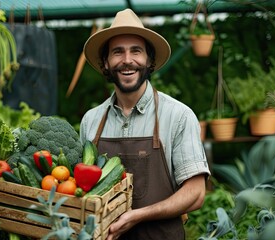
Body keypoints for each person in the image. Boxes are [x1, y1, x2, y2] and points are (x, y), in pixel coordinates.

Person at [80, 8, 210, 240]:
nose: (127, 60)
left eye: (136, 51)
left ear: (149, 60)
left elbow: (196, 193)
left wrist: (138, 215)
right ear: (106, 63)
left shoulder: (178, 115)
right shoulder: (91, 120)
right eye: (117, 52)